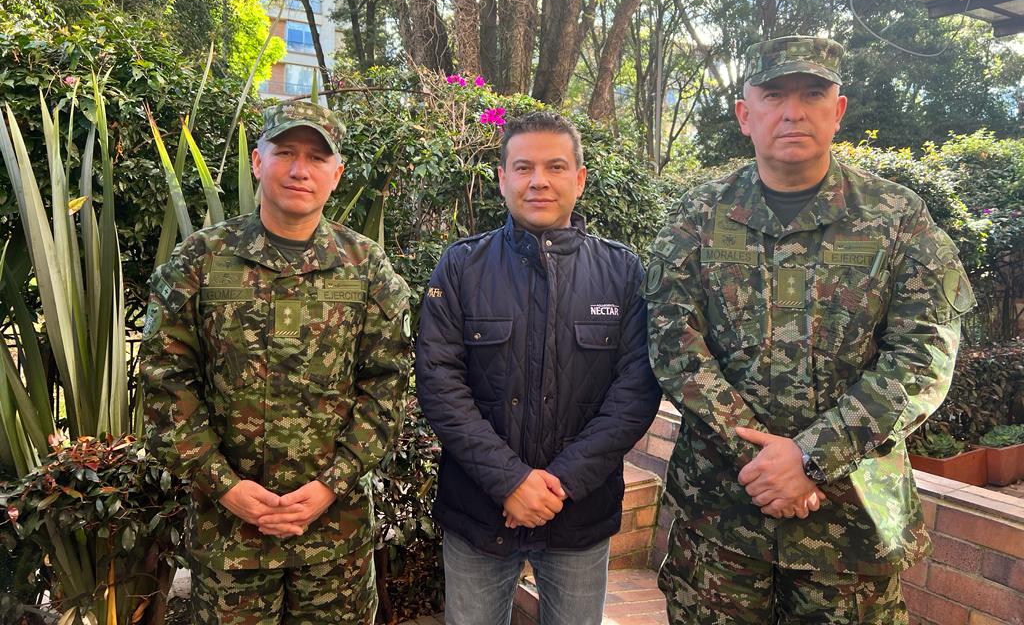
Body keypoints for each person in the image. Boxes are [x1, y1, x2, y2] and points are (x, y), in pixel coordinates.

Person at [644, 36, 976, 624]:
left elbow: (923, 355)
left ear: (838, 110)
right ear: (746, 115)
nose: (793, 111)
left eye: (813, 94)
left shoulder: (897, 219)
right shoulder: (699, 216)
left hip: (851, 526)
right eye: (774, 96)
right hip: (722, 515)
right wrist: (766, 460)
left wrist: (810, 457)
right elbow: (675, 345)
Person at [140, 101, 412, 625]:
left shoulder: (366, 268)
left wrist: (331, 484)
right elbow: (164, 385)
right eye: (285, 152)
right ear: (258, 161)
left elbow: (388, 389)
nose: (298, 169)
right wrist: (225, 486)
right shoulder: (202, 260)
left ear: (338, 173)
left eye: (315, 157)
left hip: (334, 537)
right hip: (230, 539)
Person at [415, 111, 662, 625]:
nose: (539, 181)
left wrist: (560, 484)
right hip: (479, 512)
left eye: (555, 166)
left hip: (579, 514)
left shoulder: (622, 273)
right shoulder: (461, 266)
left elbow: (636, 391)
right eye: (523, 167)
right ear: (502, 178)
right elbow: (440, 384)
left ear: (580, 178)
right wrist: (510, 482)